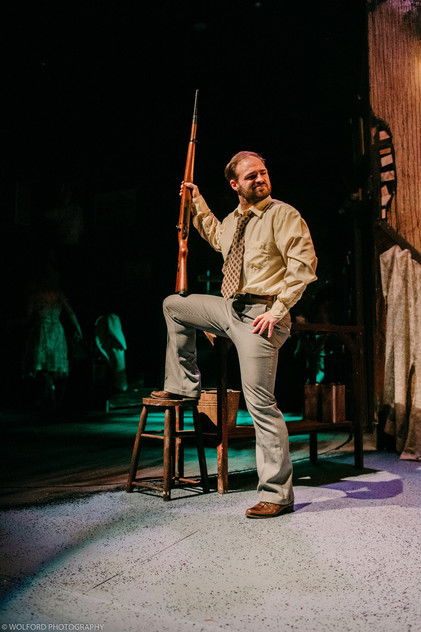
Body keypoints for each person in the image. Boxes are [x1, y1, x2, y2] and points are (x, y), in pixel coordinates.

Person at [151, 151, 318, 518]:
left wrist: (277, 311)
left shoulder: (283, 215)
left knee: (261, 405)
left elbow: (303, 267)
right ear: (235, 185)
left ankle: (277, 494)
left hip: (262, 315)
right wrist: (195, 200)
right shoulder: (233, 221)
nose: (260, 179)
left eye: (263, 172)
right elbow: (215, 234)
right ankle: (183, 385)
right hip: (231, 308)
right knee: (174, 305)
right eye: (251, 176)